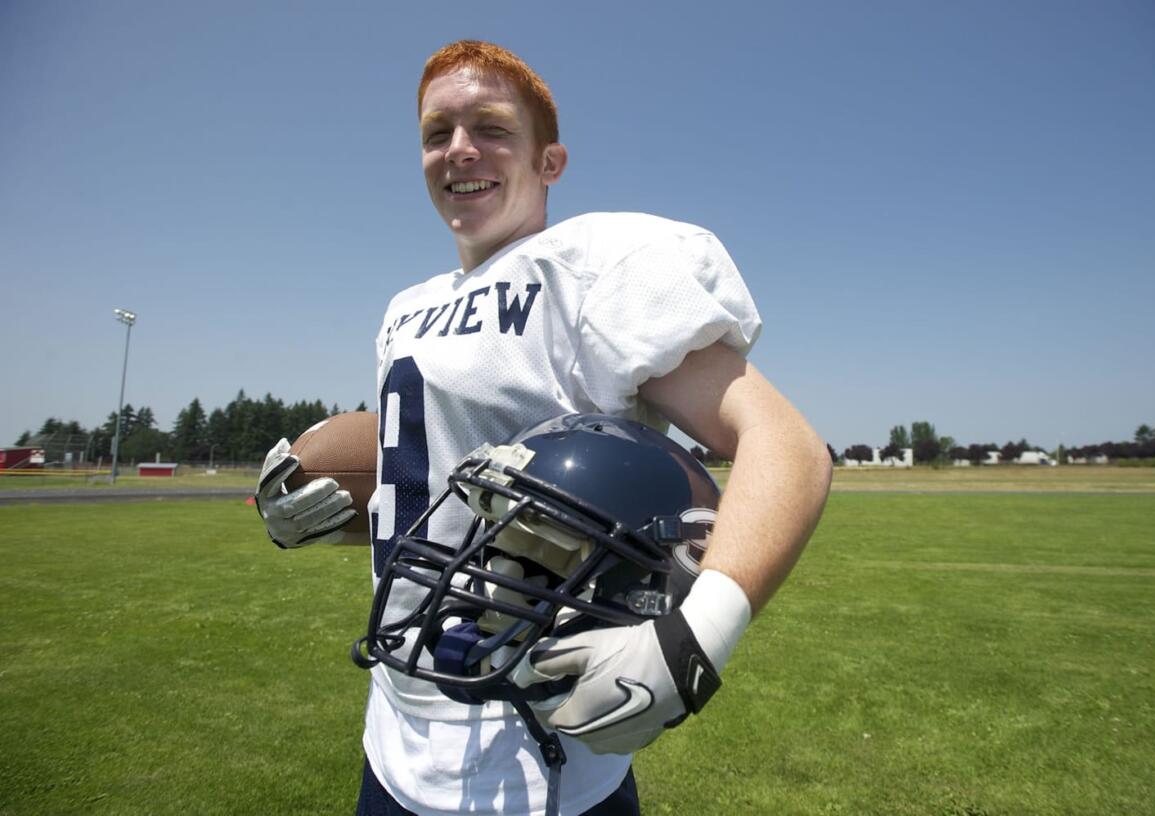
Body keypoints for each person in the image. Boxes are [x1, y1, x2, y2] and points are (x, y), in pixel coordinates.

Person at [257, 40, 831, 816]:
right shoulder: (404, 310)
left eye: (491, 128)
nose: (460, 149)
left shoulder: (590, 271)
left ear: (550, 161)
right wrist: (337, 511)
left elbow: (786, 444)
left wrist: (699, 635)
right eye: (437, 134)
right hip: (395, 725)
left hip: (530, 745)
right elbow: (451, 494)